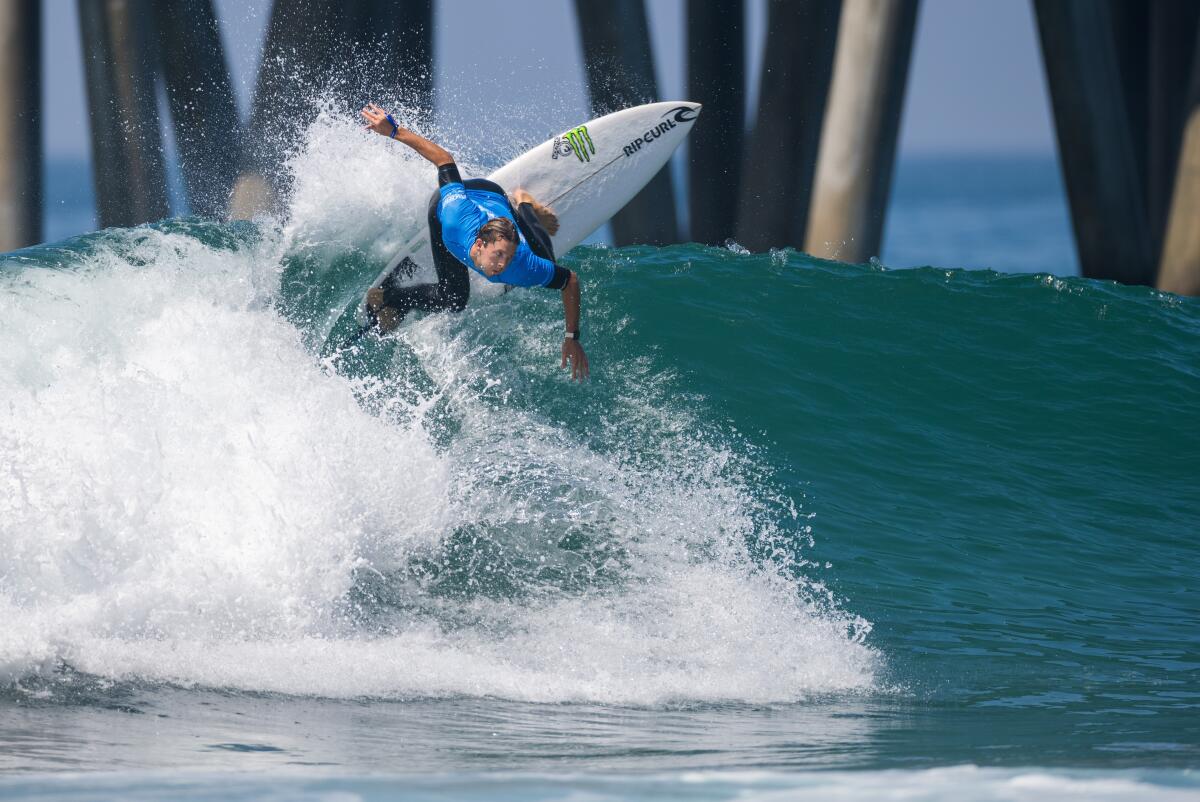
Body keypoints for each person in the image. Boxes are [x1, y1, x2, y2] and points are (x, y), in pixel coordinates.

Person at [360, 103, 589, 380]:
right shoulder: (458, 218)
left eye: (507, 257)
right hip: (464, 201)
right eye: (498, 257)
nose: (503, 266)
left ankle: (525, 203)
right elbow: (444, 159)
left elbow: (570, 280)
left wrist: (571, 336)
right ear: (480, 246)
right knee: (455, 298)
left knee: (544, 261)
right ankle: (389, 298)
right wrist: (393, 130)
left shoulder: (520, 264)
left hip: (498, 207)